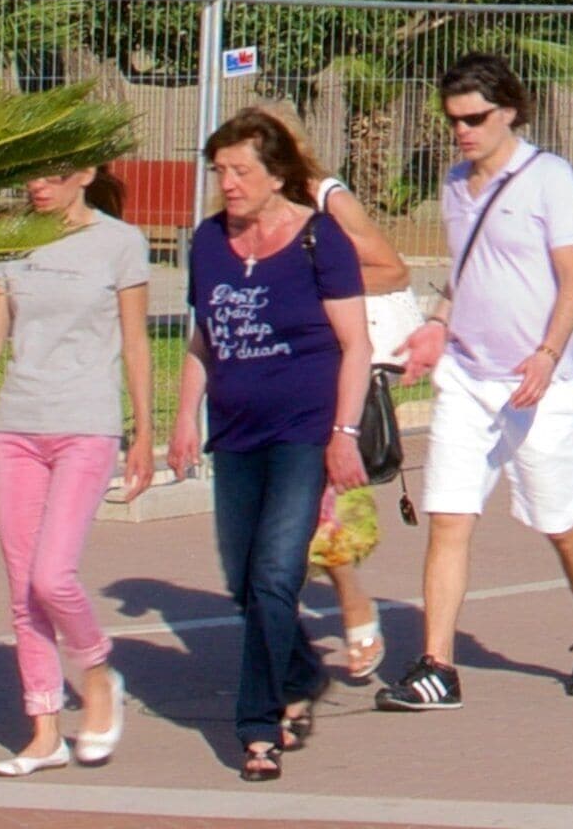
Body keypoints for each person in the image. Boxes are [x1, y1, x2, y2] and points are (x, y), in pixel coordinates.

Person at [377, 55, 573, 710]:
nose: (462, 131)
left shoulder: (549, 178)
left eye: (475, 118)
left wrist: (547, 353)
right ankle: (437, 667)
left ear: (509, 111)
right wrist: (437, 325)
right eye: (453, 120)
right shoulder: (456, 183)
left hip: (539, 384)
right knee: (448, 517)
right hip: (467, 378)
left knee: (558, 520)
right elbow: (465, 273)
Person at [0, 151, 154, 777]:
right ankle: (45, 730)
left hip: (86, 426)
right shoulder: (10, 241)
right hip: (17, 429)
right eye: (31, 175)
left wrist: (144, 432)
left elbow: (136, 342)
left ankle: (98, 671)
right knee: (24, 585)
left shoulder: (120, 244)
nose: (38, 186)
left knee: (54, 576)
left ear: (85, 176)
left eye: (53, 175)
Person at [168, 114, 369, 784]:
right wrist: (184, 417)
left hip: (302, 433)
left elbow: (356, 345)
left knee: (276, 574)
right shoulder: (208, 241)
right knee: (242, 580)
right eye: (219, 171)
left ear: (277, 175)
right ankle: (302, 671)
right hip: (235, 434)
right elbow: (205, 338)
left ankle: (259, 726)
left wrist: (343, 434)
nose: (227, 184)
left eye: (241, 171)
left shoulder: (320, 239)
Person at [297, 131, 415, 687]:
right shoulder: (236, 211)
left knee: (317, 509)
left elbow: (394, 270)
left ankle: (351, 604)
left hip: (328, 364)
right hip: (267, 372)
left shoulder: (329, 200)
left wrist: (312, 278)